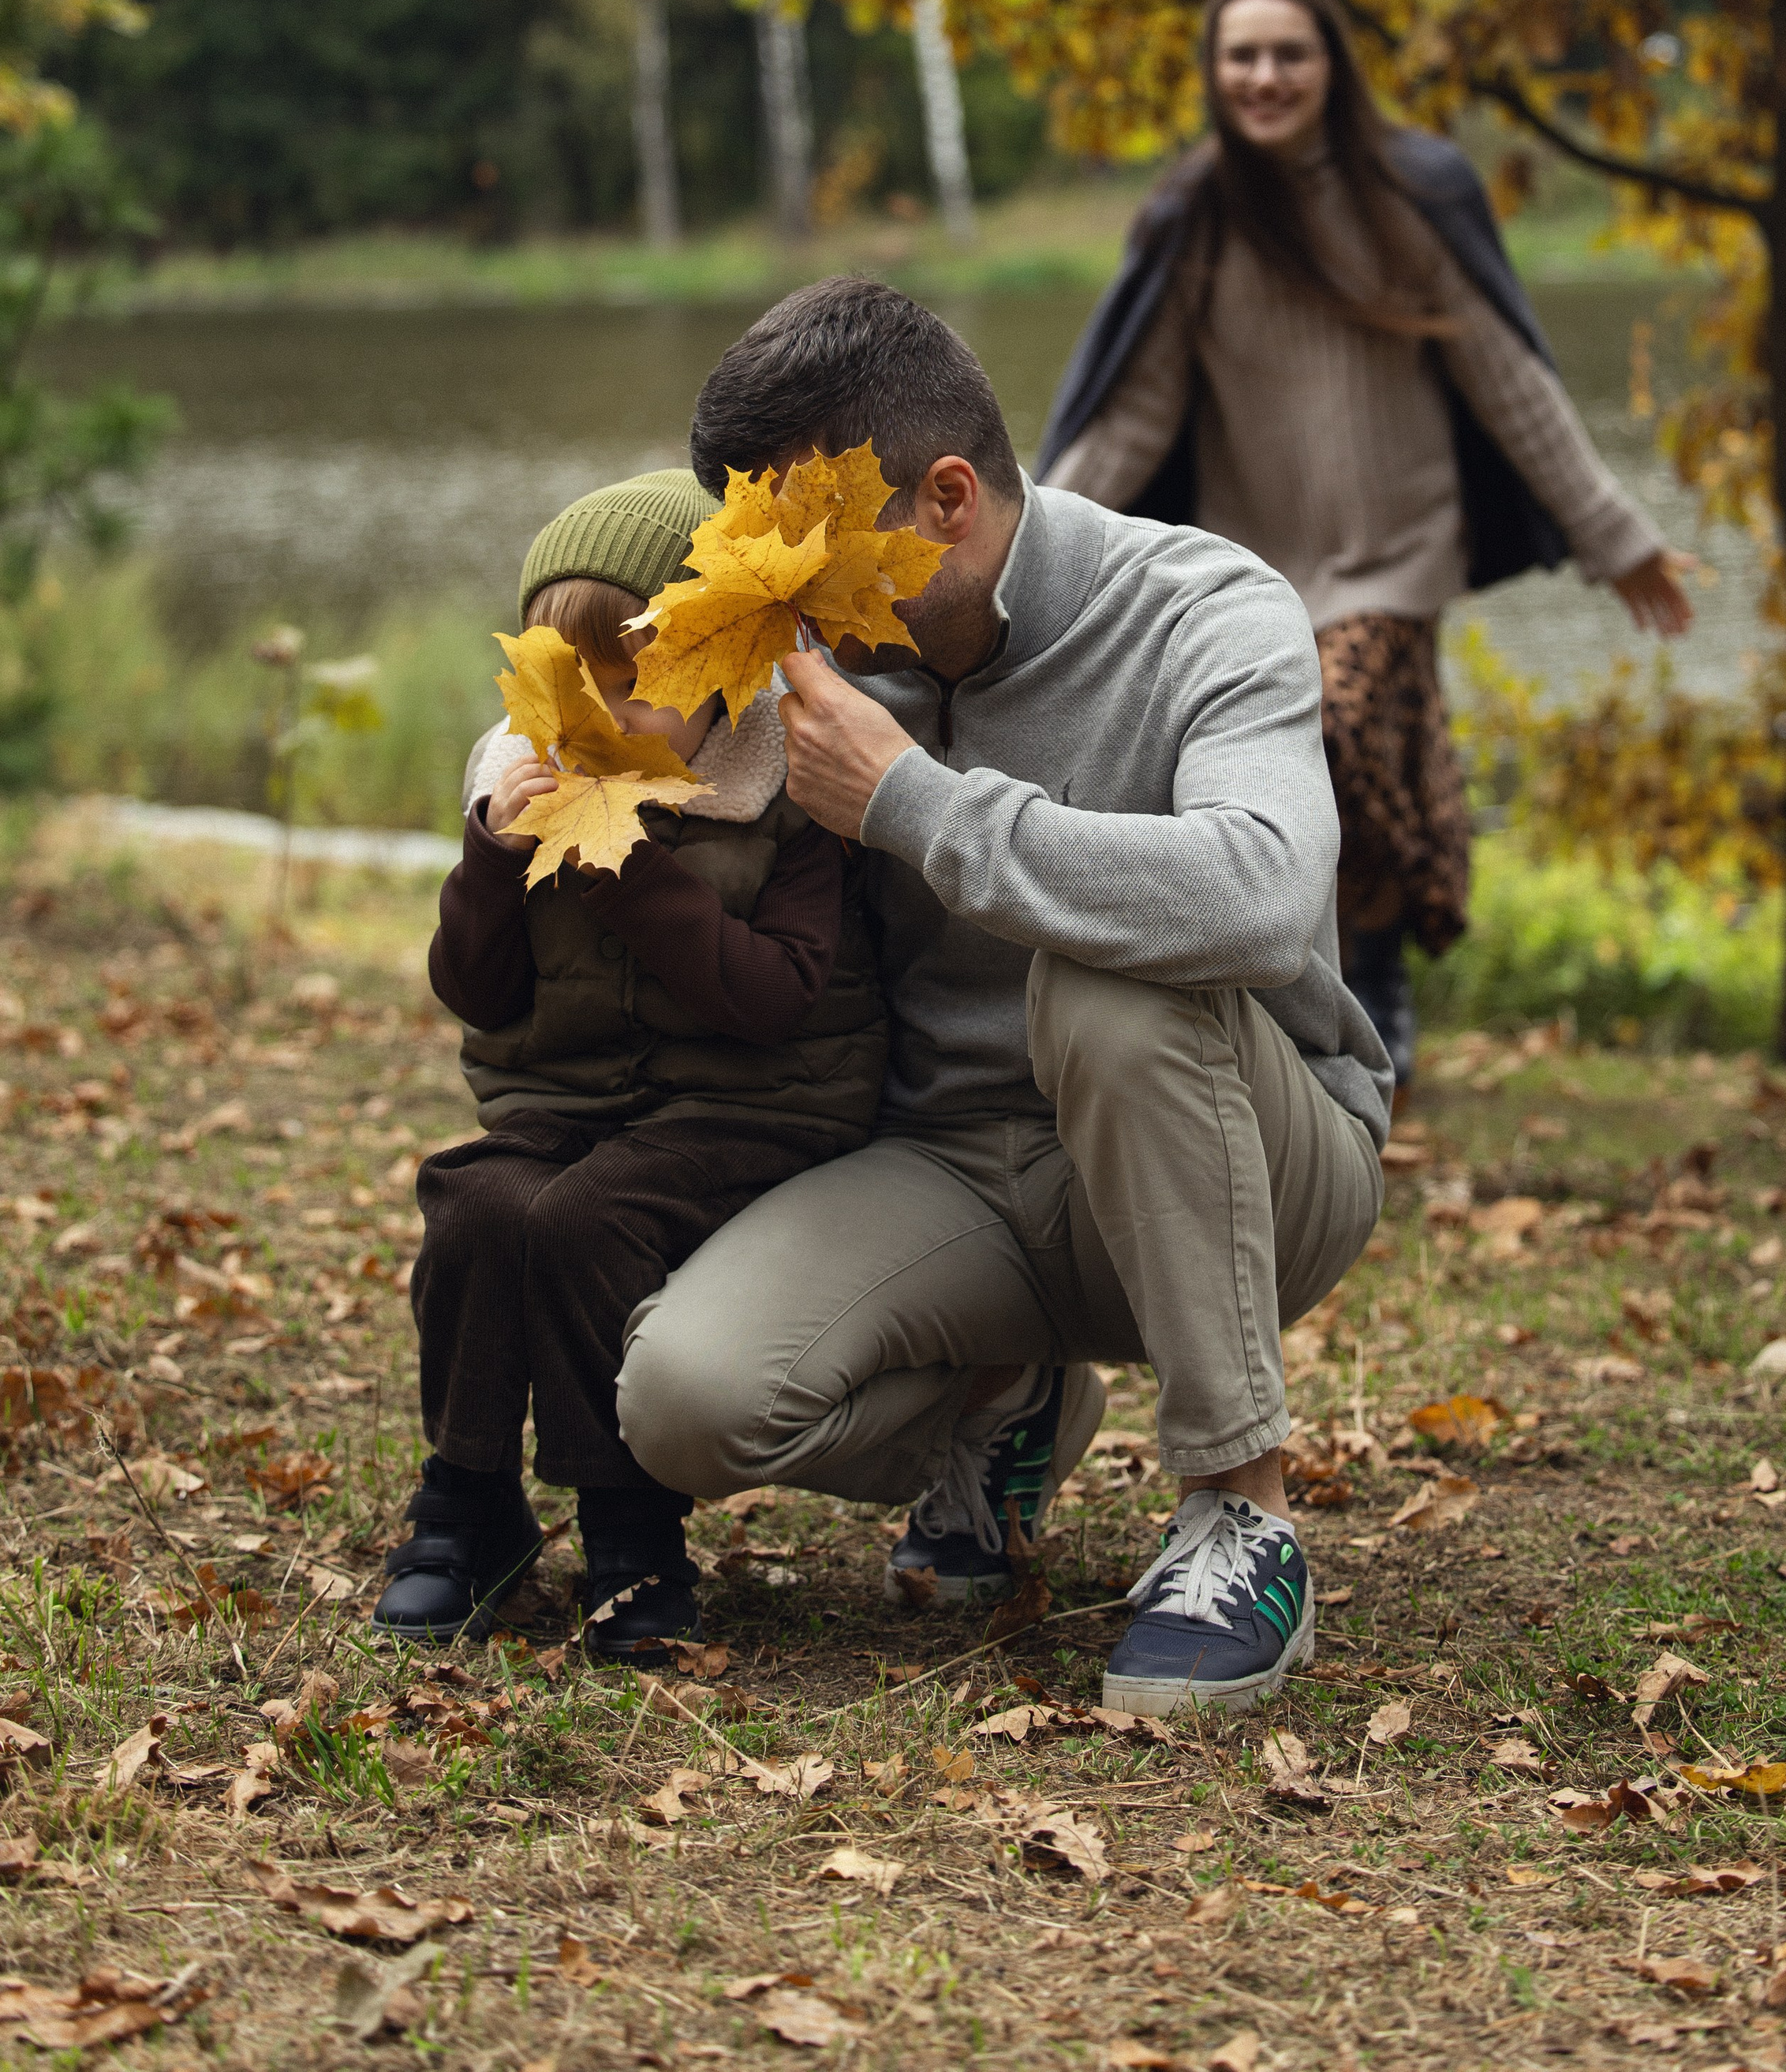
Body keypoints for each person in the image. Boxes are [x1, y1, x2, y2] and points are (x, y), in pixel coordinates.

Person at [615, 282, 1392, 1715]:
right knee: (683, 1400)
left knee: (1111, 988)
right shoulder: (825, 657)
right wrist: (518, 772)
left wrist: (916, 803)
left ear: (948, 499)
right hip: (960, 1169)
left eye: (813, 555)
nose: (792, 605)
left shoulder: (1207, 608)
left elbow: (1267, 895)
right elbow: (597, 714)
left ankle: (1241, 1513)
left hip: (1255, 1155)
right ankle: (1008, 1400)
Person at [1039, 0, 1691, 1096]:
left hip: (1397, 554)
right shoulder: (1197, 217)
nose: (1266, 76)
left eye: (1289, 53)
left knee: (1337, 736)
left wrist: (1615, 535)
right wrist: (1028, 544)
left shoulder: (1412, 192)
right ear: (1214, 73)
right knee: (1295, 773)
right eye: (1242, 55)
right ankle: (1323, 988)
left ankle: (1373, 979)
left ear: (1333, 64)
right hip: (1256, 570)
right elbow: (1134, 413)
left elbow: (1509, 380)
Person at [375, 468, 885, 1655]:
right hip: (565, 1099)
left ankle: (630, 1525)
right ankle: (467, 1498)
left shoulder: (787, 788)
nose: (605, 716)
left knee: (587, 1217)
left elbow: (773, 997)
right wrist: (494, 857)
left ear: (728, 668)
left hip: (754, 1102)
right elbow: (476, 991)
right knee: (478, 1205)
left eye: (642, 685)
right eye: (577, 685)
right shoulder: (523, 781)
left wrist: (625, 865)